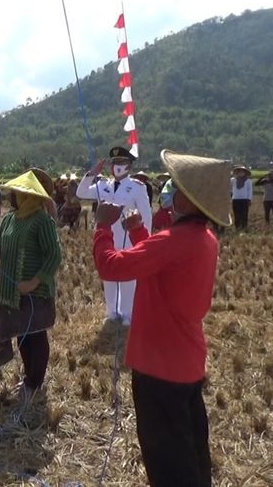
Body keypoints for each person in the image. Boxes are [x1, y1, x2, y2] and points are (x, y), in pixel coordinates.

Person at [92, 149, 231, 487]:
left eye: (176, 187)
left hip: (159, 367)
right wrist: (140, 232)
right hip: (186, 361)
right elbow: (161, 266)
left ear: (188, 200)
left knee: (167, 461)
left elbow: (111, 265)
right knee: (191, 450)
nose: (171, 191)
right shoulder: (204, 238)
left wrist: (102, 228)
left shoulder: (174, 241)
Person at [0, 171, 62, 399]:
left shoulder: (42, 221)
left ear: (29, 196)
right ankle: (29, 379)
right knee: (21, 336)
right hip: (11, 293)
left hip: (34, 293)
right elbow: (0, 247)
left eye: (16, 193)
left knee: (34, 337)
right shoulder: (8, 219)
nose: (11, 197)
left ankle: (34, 382)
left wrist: (33, 282)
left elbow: (54, 256)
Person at [76, 146, 152, 326]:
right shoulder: (103, 186)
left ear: (129, 166)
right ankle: (112, 312)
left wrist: (144, 242)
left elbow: (146, 216)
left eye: (122, 162)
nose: (118, 166)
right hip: (107, 240)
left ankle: (128, 313)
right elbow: (81, 193)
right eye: (115, 163)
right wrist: (91, 174)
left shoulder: (137, 187)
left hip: (129, 240)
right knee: (109, 278)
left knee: (128, 279)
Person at [230, 165, 252, 230]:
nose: (240, 173)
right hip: (235, 199)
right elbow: (229, 187)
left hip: (244, 200)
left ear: (245, 173)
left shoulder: (248, 181)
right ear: (237, 172)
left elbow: (250, 190)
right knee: (236, 214)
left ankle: (244, 228)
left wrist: (249, 199)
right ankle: (237, 228)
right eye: (239, 172)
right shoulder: (233, 180)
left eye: (242, 172)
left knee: (244, 214)